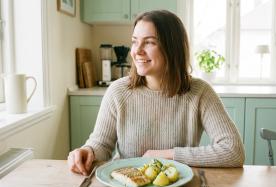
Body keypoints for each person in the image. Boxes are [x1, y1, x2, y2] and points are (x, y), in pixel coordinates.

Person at [68, 10, 245, 176]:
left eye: (149, 42)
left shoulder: (200, 93)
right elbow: (101, 145)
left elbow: (233, 150)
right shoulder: (118, 91)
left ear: (172, 48)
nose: (137, 51)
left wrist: (168, 155)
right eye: (135, 41)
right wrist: (87, 151)